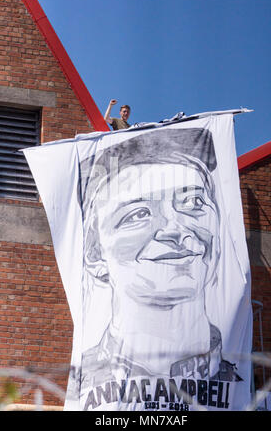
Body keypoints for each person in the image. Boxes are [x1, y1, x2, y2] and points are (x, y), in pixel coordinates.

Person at [74, 127, 242, 409]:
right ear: (94, 253)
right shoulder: (82, 386)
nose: (175, 229)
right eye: (138, 214)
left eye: (193, 202)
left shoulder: (242, 382)